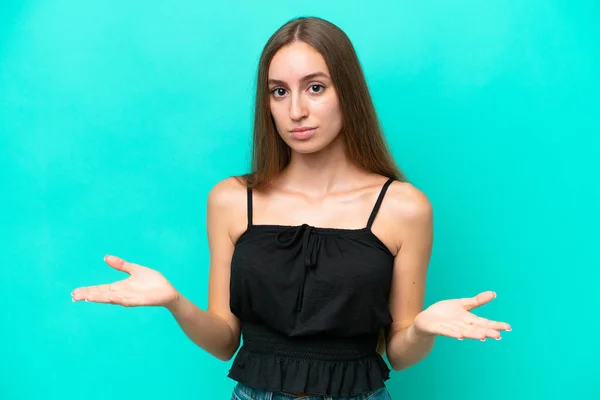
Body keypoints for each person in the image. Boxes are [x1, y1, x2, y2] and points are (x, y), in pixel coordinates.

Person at [71, 16, 511, 400]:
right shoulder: (230, 200)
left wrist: (422, 329)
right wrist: (173, 301)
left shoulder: (403, 207)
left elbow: (398, 351)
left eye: (315, 88)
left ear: (348, 93)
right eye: (279, 92)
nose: (296, 110)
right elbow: (226, 341)